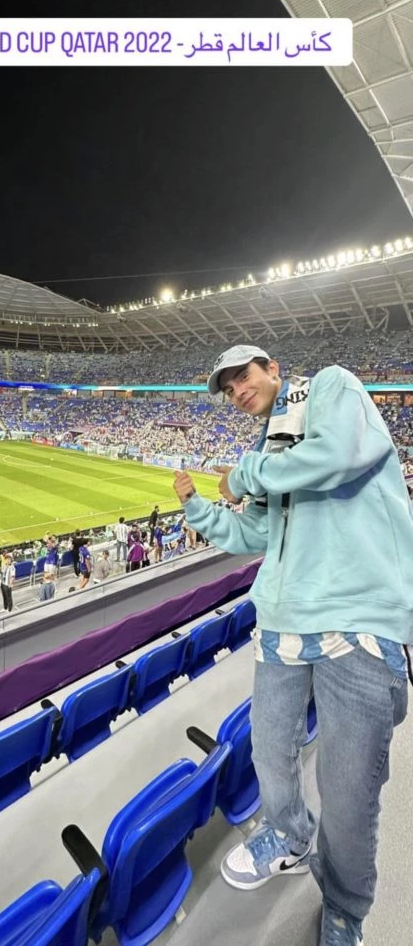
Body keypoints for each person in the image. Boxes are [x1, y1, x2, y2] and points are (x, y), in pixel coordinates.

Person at [173, 344, 412, 946]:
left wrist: (241, 475)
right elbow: (256, 529)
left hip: (353, 618)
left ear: (273, 370)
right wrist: (199, 508)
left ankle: (344, 909)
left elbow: (335, 456)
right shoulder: (265, 449)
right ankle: (289, 836)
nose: (236, 391)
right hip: (280, 623)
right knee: (269, 754)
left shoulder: (331, 387)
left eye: (242, 377)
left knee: (349, 789)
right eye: (226, 389)